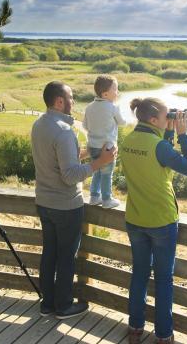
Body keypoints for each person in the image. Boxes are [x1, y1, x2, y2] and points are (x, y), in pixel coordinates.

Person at [31, 81, 116, 320]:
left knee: (49, 254)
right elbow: (69, 176)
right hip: (65, 206)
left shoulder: (40, 124)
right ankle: (64, 306)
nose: (73, 101)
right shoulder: (64, 131)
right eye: (71, 97)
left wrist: (89, 153)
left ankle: (47, 304)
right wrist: (102, 162)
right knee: (66, 257)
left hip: (44, 202)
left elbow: (56, 159)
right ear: (59, 101)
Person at [119, 98, 187, 344]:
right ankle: (164, 335)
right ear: (154, 120)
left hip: (135, 218)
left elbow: (155, 158)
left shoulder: (128, 141)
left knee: (139, 274)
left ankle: (135, 327)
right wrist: (183, 135)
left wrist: (168, 132)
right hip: (162, 221)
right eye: (167, 117)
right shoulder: (159, 146)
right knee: (164, 280)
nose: (170, 120)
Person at [82, 74, 126, 208]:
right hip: (108, 148)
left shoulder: (89, 107)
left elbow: (84, 126)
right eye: (115, 89)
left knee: (97, 171)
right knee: (107, 174)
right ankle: (107, 199)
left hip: (93, 147)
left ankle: (94, 196)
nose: (117, 92)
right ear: (105, 94)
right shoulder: (113, 108)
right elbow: (122, 123)